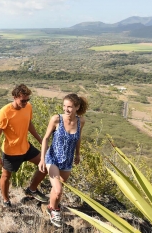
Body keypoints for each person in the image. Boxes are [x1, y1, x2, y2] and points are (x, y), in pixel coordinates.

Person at [0, 84, 48, 207]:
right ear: (14, 97)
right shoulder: (5, 112)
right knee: (6, 176)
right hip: (11, 152)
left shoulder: (28, 107)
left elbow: (29, 124)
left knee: (45, 165)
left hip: (26, 147)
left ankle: (32, 189)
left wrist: (41, 140)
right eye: (23, 100)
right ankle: (6, 200)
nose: (25, 102)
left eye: (27, 100)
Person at [39, 93, 88, 227]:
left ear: (77, 107)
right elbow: (45, 138)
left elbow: (78, 138)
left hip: (67, 160)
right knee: (59, 190)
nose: (66, 109)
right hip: (53, 158)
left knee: (57, 190)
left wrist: (78, 154)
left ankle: (50, 206)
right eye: (64, 106)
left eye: (70, 107)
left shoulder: (81, 121)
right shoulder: (56, 119)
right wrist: (42, 159)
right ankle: (54, 210)